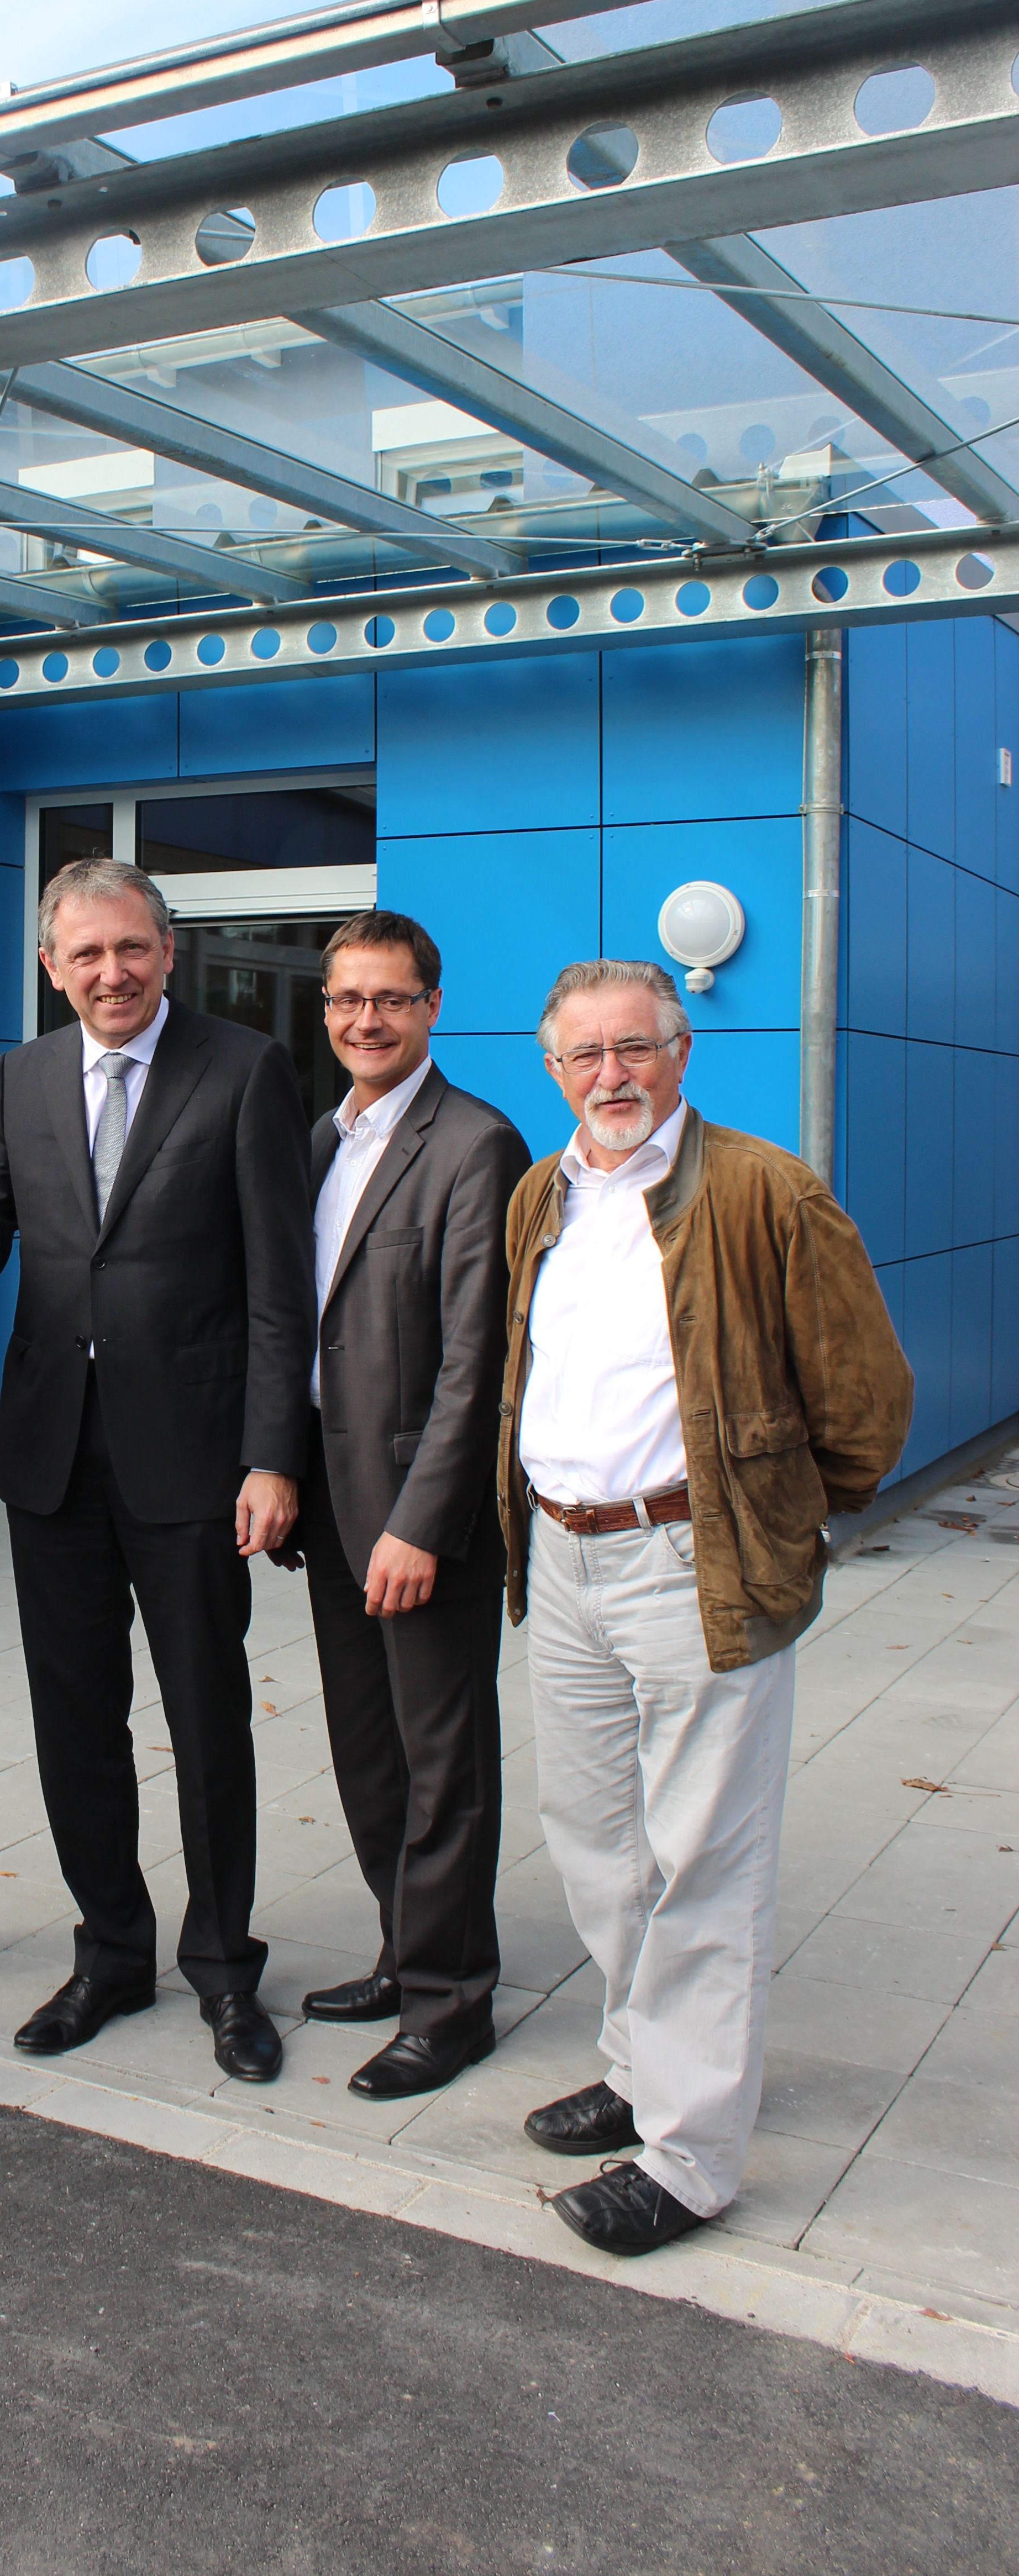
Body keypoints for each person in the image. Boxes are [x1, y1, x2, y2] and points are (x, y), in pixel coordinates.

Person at [0, 857, 314, 2084]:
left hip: (197, 1459)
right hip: (56, 1454)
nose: (110, 974)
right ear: (52, 969)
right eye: (85, 956)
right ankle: (112, 1951)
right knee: (76, 1721)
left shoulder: (246, 1069)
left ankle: (224, 1969)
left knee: (208, 1720)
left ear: (169, 953)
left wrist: (275, 1455)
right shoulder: (26, 1074)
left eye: (132, 949)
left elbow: (283, 1287)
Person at [501, 959, 913, 2256]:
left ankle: (689, 2156)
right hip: (563, 1560)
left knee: (703, 1861)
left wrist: (780, 1516)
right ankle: (638, 2068)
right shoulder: (541, 1195)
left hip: (695, 1560)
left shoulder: (764, 1188)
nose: (612, 1075)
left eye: (637, 1048)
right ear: (552, 1068)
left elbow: (866, 1398)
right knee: (596, 1841)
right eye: (585, 1055)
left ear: (682, 1053)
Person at [291, 910, 529, 2101]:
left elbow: (476, 1362)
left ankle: (453, 2002)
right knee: (366, 1746)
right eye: (346, 1001)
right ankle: (403, 1951)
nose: (365, 1021)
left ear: (432, 1007)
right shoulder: (325, 1137)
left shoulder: (476, 1143)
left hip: (416, 1518)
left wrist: (421, 1525)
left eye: (389, 999)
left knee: (443, 1759)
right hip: (335, 1507)